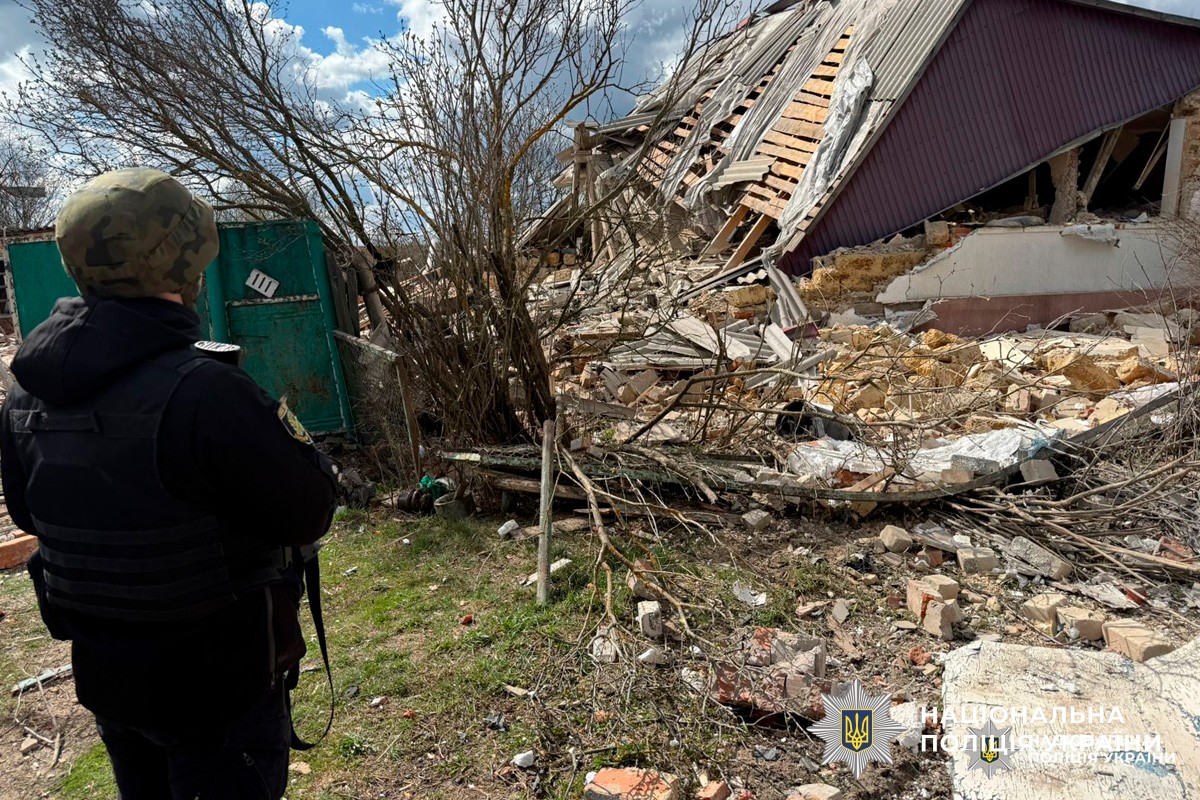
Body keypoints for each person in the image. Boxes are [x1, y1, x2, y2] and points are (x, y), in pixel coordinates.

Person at [0, 168, 338, 799]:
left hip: (110, 682)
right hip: (218, 690)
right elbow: (308, 511)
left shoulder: (28, 394)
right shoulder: (205, 391)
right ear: (181, 268)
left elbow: (29, 511)